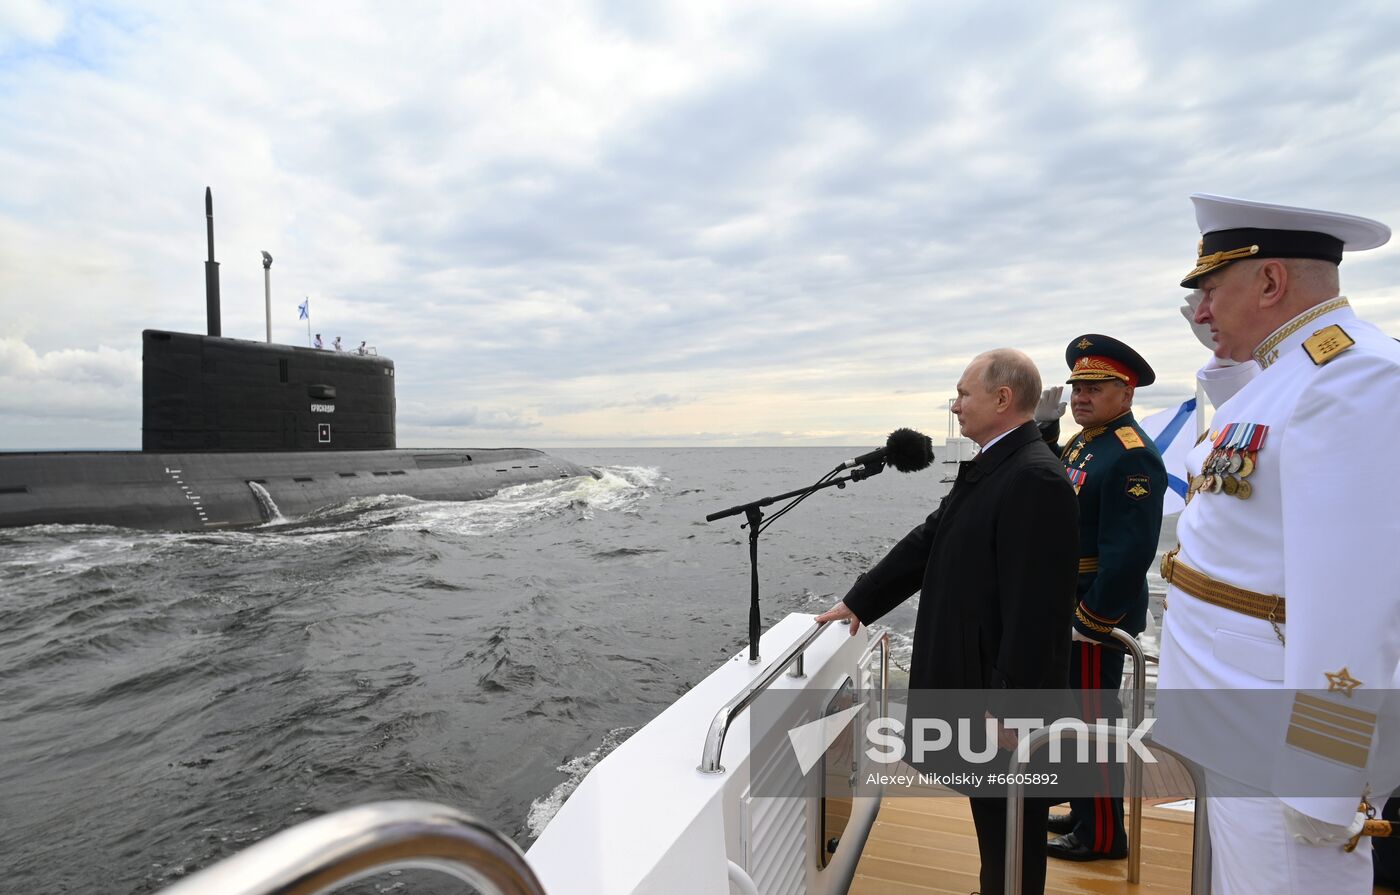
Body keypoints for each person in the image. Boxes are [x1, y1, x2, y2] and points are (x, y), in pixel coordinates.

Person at [1154, 193, 1400, 894]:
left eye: (1209, 290)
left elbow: (1357, 600)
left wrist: (1323, 775)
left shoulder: (1359, 378)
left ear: (1269, 282)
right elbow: (1257, 486)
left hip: (1283, 746)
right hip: (1240, 726)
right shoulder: (1296, 372)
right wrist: (1227, 358)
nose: (1200, 312)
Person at [816, 348, 1079, 895]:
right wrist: (859, 602)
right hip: (979, 684)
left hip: (1002, 698)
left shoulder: (1035, 477)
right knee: (993, 818)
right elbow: (929, 539)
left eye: (963, 393)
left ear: (1002, 399)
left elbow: (1039, 609)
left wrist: (1013, 705)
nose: (954, 405)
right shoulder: (997, 463)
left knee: (1011, 829)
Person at [1035, 336, 1166, 863]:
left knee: (1095, 725)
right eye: (1078, 386)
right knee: (1078, 720)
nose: (1082, 395)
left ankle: (1105, 836)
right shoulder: (1089, 441)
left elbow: (1130, 555)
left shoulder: (1130, 457)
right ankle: (1087, 811)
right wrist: (1045, 430)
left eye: (1095, 386)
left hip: (1096, 614)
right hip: (1073, 605)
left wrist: (1091, 623)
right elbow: (1058, 483)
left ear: (1126, 391)